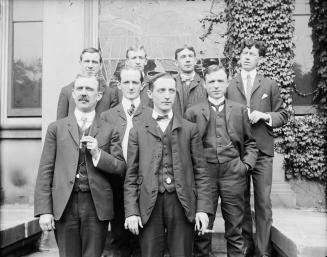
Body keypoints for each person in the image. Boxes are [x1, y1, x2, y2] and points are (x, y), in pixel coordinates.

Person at [34, 75, 126, 257]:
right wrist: (44, 210)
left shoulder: (109, 129)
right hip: (65, 204)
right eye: (80, 89)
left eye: (89, 89)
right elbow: (45, 170)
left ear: (99, 95)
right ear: (74, 94)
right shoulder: (56, 128)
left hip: (96, 205)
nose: (84, 93)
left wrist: (98, 154)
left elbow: (120, 167)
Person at [124, 72, 213, 257]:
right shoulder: (137, 131)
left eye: (171, 91)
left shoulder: (190, 129)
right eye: (161, 90)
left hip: (181, 203)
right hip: (149, 203)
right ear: (149, 94)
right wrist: (131, 211)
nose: (167, 95)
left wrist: (203, 209)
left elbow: (201, 173)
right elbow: (131, 176)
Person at [185, 65, 258, 257]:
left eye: (220, 81)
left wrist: (245, 166)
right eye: (211, 82)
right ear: (204, 85)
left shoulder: (240, 110)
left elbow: (251, 143)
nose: (216, 85)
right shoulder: (193, 112)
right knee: (202, 229)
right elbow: (185, 147)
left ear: (226, 83)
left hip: (233, 173)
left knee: (235, 229)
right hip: (204, 176)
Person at [226, 39, 288, 257]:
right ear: (239, 56)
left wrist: (265, 115)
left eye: (252, 53)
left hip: (262, 152)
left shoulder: (270, 85)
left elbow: (283, 115)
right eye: (244, 52)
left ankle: (262, 251)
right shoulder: (229, 85)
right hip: (239, 153)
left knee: (262, 202)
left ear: (258, 58)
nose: (247, 56)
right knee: (240, 201)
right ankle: (245, 248)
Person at [101, 66, 149, 257]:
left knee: (143, 237)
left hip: (144, 182)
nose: (130, 87)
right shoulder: (108, 116)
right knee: (119, 237)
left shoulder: (151, 113)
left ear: (142, 85)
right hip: (117, 182)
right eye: (126, 82)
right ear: (119, 85)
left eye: (135, 82)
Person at [56, 47, 118, 119]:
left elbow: (113, 125)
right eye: (87, 61)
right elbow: (60, 126)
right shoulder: (66, 91)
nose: (90, 66)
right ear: (80, 63)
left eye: (94, 62)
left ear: (100, 65)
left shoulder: (111, 93)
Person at [173, 45, 207, 116]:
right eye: (183, 57)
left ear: (195, 61)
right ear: (176, 62)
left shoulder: (205, 85)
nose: (187, 60)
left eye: (190, 56)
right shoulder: (170, 85)